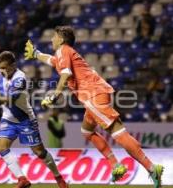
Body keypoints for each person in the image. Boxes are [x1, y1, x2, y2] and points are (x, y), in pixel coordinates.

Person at [24, 26, 164, 187]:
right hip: (94, 94)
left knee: (117, 132)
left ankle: (152, 168)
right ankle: (116, 166)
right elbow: (51, 60)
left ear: (61, 39)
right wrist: (35, 54)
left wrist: (56, 94)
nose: (51, 39)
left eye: (54, 36)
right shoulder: (64, 53)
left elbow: (66, 74)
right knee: (87, 131)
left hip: (93, 95)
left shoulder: (63, 50)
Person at [0, 51, 68, 188]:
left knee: (40, 152)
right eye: (0, 68)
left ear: (13, 65)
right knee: (2, 147)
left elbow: (9, 100)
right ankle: (22, 179)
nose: (2, 71)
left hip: (25, 120)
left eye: (5, 68)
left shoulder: (20, 79)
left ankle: (58, 177)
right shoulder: (3, 74)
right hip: (8, 120)